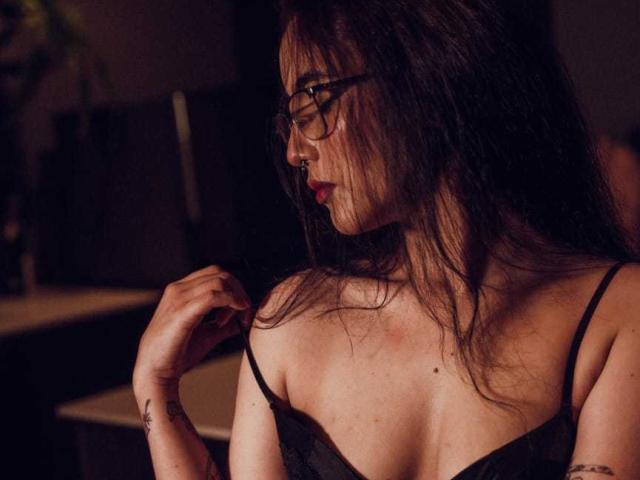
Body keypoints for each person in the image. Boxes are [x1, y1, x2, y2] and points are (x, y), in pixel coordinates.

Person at [132, 1, 640, 479]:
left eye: (314, 100)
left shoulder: (615, 315)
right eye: (291, 117)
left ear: (424, 74)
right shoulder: (289, 326)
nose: (295, 151)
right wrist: (156, 388)